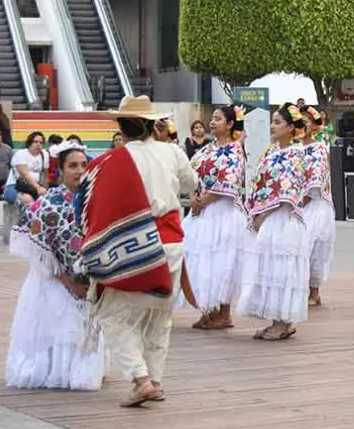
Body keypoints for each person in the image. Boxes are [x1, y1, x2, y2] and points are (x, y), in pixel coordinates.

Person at [78, 96, 198, 407]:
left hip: (132, 242)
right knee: (160, 316)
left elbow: (92, 206)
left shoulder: (109, 162)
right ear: (151, 124)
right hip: (171, 241)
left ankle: (141, 379)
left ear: (121, 126)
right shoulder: (172, 152)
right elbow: (191, 183)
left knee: (112, 315)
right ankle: (155, 380)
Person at [5, 141, 104, 391]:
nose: (79, 170)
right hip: (54, 278)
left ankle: (81, 368)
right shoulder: (49, 203)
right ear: (60, 170)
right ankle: (54, 370)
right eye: (72, 166)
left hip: (87, 279)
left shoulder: (95, 200)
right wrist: (68, 281)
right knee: (59, 324)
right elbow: (39, 249)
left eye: (84, 165)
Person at [238, 103, 310, 341]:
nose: (273, 125)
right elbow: (260, 182)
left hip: (283, 217)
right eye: (273, 121)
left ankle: (284, 322)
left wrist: (263, 214)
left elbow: (288, 189)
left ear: (291, 127)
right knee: (270, 267)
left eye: (278, 122)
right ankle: (277, 321)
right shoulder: (272, 151)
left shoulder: (297, 153)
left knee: (282, 268)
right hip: (269, 217)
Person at [183, 105, 247, 330]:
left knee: (223, 261)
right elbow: (191, 173)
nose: (212, 122)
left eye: (218, 119)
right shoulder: (206, 150)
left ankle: (224, 313)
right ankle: (208, 310)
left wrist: (205, 200)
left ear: (230, 124)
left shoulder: (235, 150)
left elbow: (229, 181)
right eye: (212, 118)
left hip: (223, 211)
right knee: (204, 261)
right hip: (203, 211)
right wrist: (193, 196)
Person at [301, 105, 337, 307]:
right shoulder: (292, 147)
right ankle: (300, 289)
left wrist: (301, 199)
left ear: (314, 126)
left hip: (315, 203)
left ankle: (313, 292)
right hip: (295, 203)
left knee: (313, 247)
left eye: (306, 121)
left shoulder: (319, 148)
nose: (302, 124)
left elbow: (317, 178)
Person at [5, 131, 48, 205]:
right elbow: (24, 174)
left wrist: (44, 190)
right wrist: (38, 188)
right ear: (30, 143)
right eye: (36, 142)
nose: (38, 144)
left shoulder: (44, 154)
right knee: (28, 199)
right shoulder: (21, 153)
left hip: (34, 188)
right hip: (15, 187)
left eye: (41, 143)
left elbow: (45, 175)